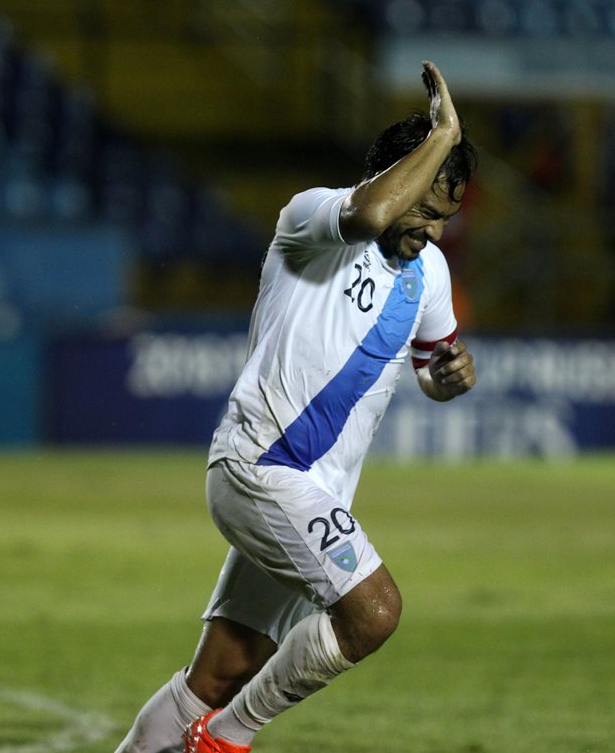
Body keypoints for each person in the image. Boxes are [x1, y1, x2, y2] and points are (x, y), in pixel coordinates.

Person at [113, 61, 479, 753]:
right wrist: (444, 132)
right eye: (425, 209)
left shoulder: (430, 274)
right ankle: (222, 743)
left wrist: (450, 378)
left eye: (445, 217)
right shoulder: (312, 216)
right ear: (394, 178)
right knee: (373, 614)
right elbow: (372, 212)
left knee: (218, 674)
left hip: (314, 491)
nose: (431, 230)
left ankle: (192, 733)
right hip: (261, 465)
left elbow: (435, 366)